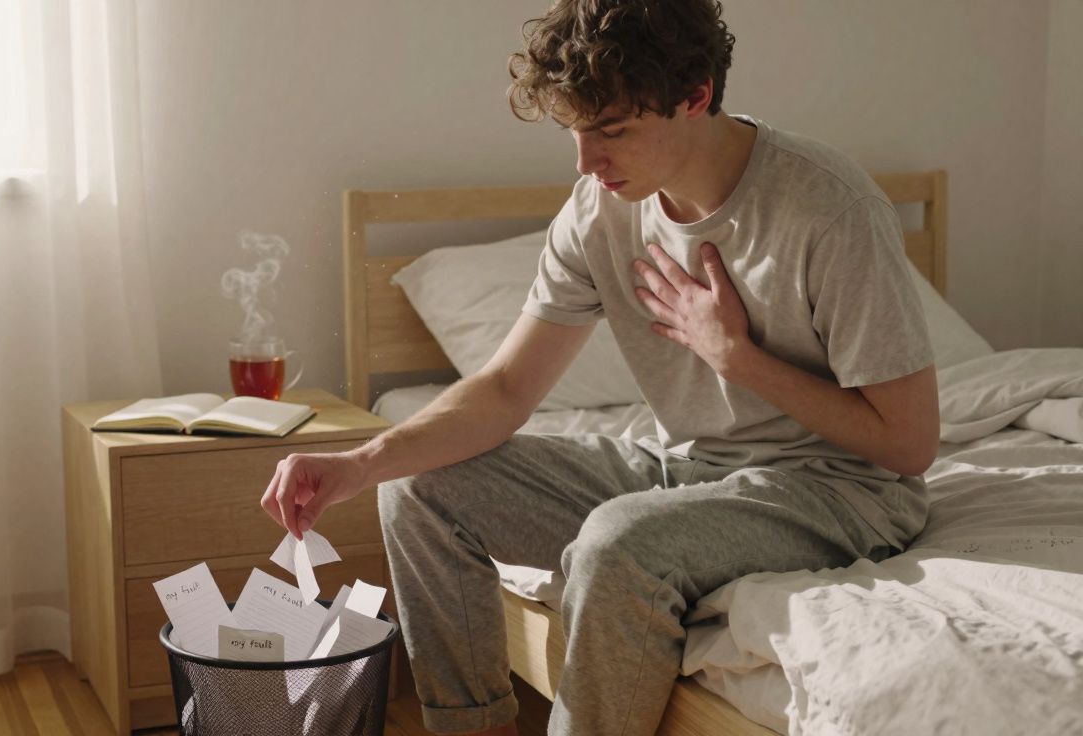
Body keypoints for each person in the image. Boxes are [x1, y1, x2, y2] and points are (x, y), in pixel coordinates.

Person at [261, 0, 939, 733]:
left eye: (612, 130)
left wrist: (738, 359)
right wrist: (361, 463)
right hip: (690, 471)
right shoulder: (598, 211)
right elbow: (506, 388)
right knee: (417, 485)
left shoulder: (829, 208)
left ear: (696, 96)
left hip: (835, 493)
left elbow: (908, 444)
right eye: (575, 132)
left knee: (618, 543)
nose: (587, 162)